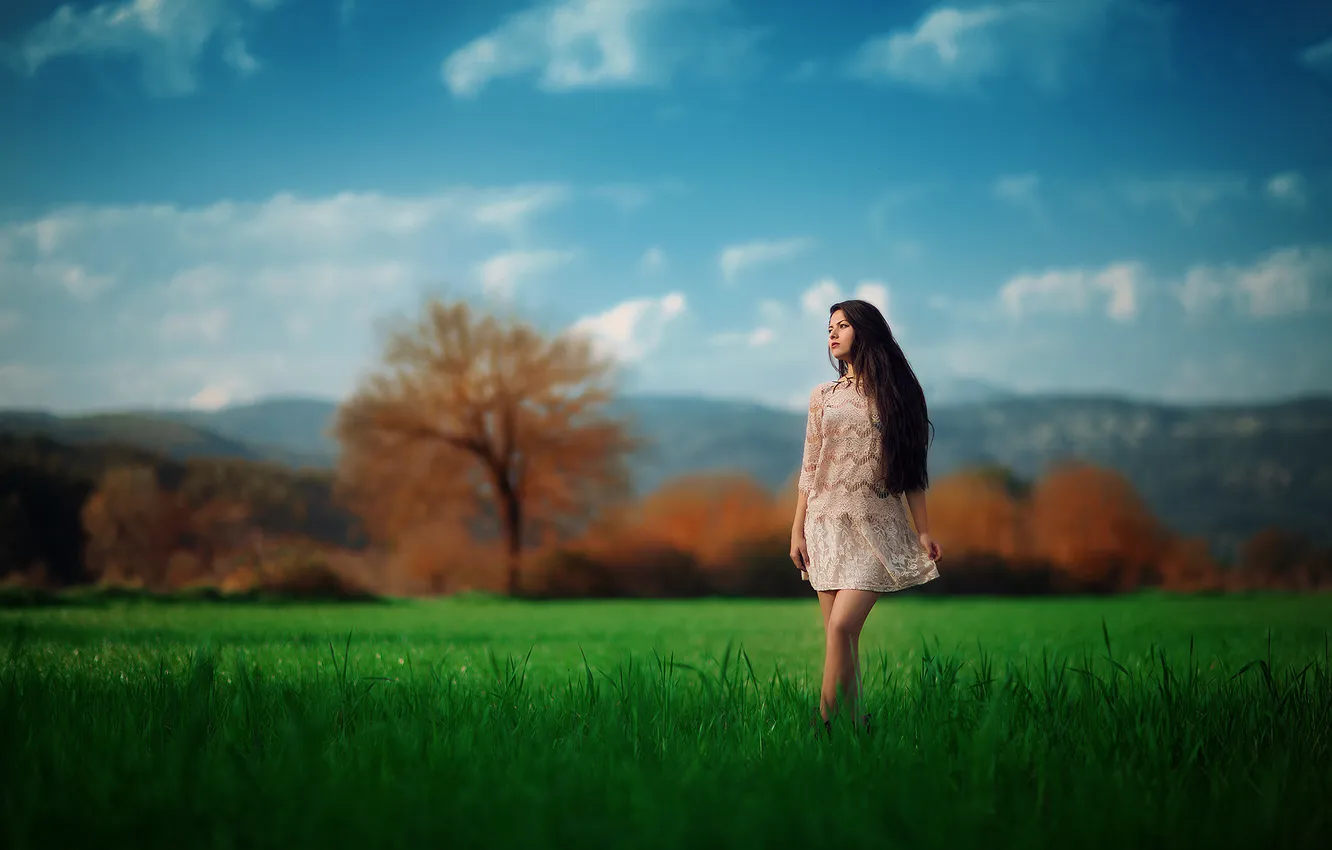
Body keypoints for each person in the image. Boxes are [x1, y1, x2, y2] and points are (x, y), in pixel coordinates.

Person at [789, 299, 942, 733]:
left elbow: (912, 472)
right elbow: (810, 465)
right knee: (841, 638)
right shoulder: (823, 396)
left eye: (842, 326)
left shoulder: (899, 395)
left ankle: (825, 725)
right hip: (824, 526)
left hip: (876, 527)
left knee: (841, 628)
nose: (832, 334)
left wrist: (924, 529)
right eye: (829, 328)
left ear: (866, 330)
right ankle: (854, 726)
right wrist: (797, 527)